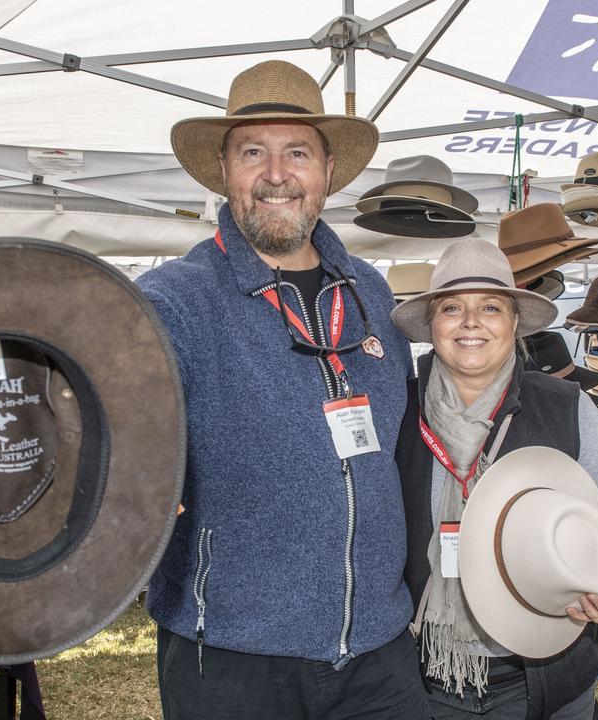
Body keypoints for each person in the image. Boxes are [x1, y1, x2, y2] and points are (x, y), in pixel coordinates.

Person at [136, 60, 429, 718]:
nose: (276, 174)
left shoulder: (372, 294)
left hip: (379, 648)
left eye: (297, 151)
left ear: (326, 172)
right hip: (235, 654)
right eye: (253, 153)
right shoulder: (173, 302)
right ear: (225, 171)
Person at [392, 238, 598, 719]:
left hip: (545, 678)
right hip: (423, 677)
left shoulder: (565, 406)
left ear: (513, 323)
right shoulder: (397, 409)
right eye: (452, 307)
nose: (471, 322)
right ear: (432, 324)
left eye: (490, 307)